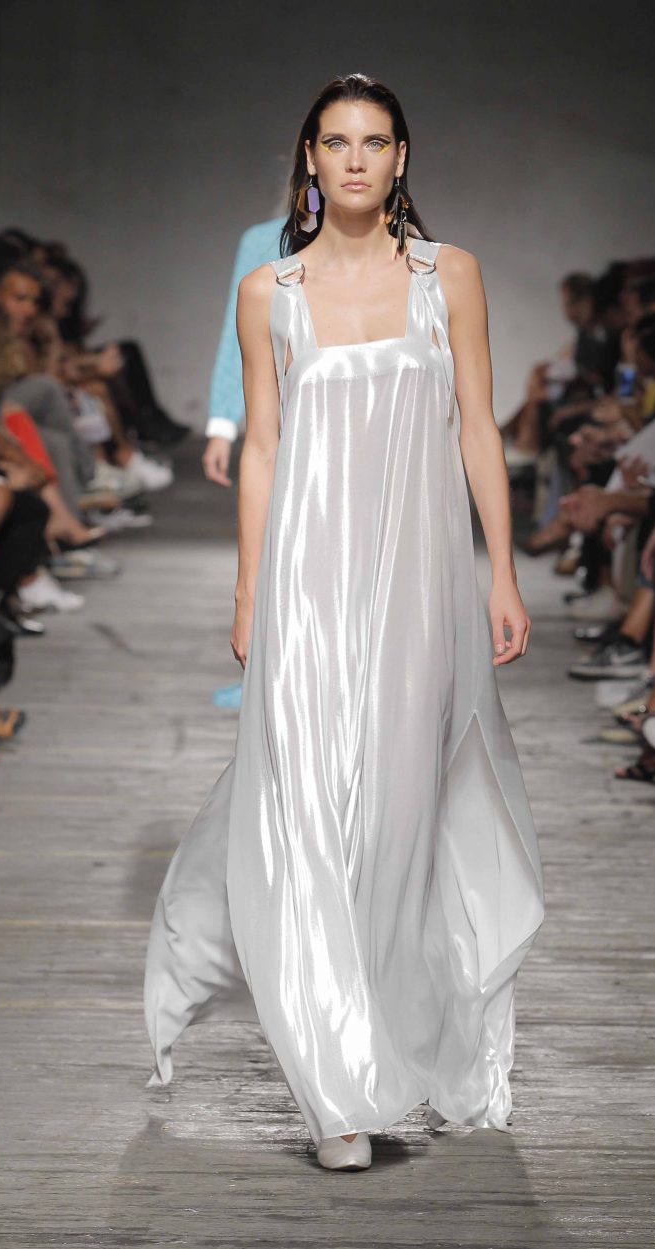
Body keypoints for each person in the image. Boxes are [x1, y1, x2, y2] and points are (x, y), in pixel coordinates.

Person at [144, 72, 544, 1172]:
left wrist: (503, 574)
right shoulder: (269, 292)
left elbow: (476, 429)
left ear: (401, 158)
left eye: (374, 141)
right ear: (310, 160)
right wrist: (248, 589)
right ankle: (336, 1096)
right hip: (306, 585)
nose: (356, 159)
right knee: (306, 814)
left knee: (399, 822)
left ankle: (394, 1040)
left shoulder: (449, 277)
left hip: (420, 582)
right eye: (336, 142)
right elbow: (263, 447)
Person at [201, 217, 285, 488]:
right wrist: (222, 425)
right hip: (291, 408)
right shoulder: (266, 240)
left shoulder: (395, 240)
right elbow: (240, 331)